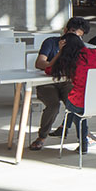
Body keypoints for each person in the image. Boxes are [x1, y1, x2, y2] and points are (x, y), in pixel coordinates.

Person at [45, 33, 96, 152]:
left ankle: (81, 141)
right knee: (74, 105)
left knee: (73, 106)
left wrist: (59, 52)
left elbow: (49, 70)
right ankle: (64, 129)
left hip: (82, 102)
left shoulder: (68, 60)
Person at [29, 17, 89, 151]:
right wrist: (59, 53)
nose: (74, 38)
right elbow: (40, 63)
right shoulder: (51, 42)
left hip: (65, 82)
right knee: (54, 105)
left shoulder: (78, 46)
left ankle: (82, 137)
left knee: (76, 103)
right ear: (65, 30)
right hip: (47, 83)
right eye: (72, 34)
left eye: (79, 37)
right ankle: (42, 136)